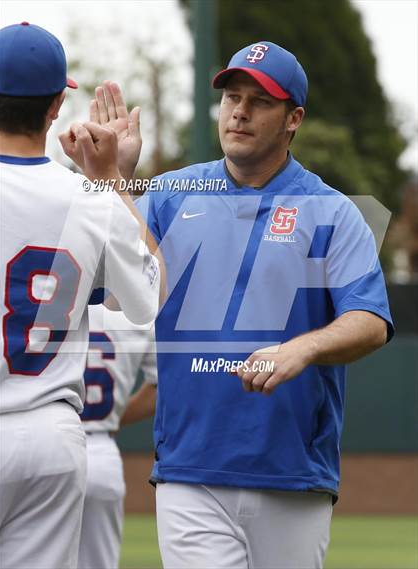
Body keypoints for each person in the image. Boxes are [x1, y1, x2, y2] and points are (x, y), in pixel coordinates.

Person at [77, 42, 393, 569]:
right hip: (189, 470)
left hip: (291, 472)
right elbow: (105, 281)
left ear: (293, 118)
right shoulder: (170, 195)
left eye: (259, 101)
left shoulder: (332, 212)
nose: (239, 111)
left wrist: (303, 349)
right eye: (231, 97)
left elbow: (370, 322)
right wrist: (110, 182)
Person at [0, 22, 160, 569]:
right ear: (54, 108)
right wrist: (112, 176)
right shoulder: (89, 198)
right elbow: (146, 298)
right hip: (52, 436)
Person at [77, 304, 157, 569]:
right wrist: (114, 418)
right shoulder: (136, 316)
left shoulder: (44, 304)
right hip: (101, 448)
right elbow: (164, 387)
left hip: (44, 441)